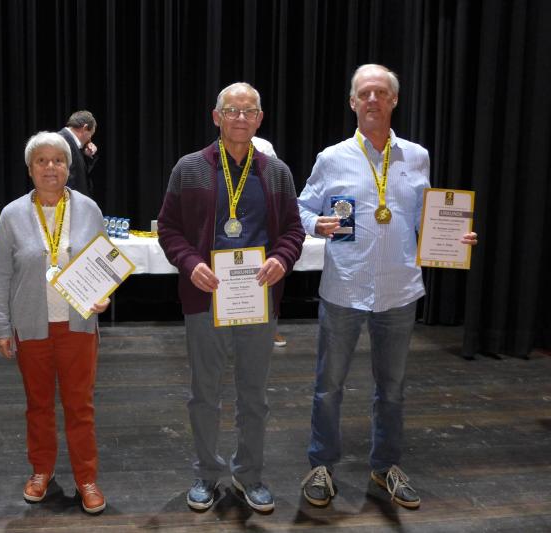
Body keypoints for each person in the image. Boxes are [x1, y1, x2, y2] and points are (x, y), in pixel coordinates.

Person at [298, 64, 478, 509]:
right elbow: (300, 208)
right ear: (353, 102)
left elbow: (423, 217)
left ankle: (385, 467)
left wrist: (453, 238)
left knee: (392, 388)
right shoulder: (331, 157)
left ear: (394, 100)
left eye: (381, 92)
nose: (373, 99)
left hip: (399, 290)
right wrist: (315, 224)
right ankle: (321, 465)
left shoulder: (417, 156)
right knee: (329, 386)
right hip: (344, 287)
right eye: (365, 93)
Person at [157, 82, 305, 512]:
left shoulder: (277, 172)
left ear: (260, 119)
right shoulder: (189, 168)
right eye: (232, 110)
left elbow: (293, 231)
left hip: (258, 299)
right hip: (205, 299)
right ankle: (206, 473)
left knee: (254, 396)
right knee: (204, 394)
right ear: (216, 116)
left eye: (249, 111)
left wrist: (281, 258)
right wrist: (190, 263)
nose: (240, 118)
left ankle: (249, 475)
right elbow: (168, 228)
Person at [0, 131, 110, 514]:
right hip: (31, 327)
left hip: (78, 326)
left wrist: (105, 294)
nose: (50, 167)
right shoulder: (12, 215)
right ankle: (41, 470)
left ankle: (86, 478)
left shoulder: (89, 209)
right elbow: (1, 275)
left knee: (80, 406)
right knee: (38, 405)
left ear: (68, 167)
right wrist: (2, 328)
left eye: (58, 160)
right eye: (41, 161)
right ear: (30, 169)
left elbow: (104, 261)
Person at [251, 137, 288, 349]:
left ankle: (271, 328)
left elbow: (274, 174)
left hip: (264, 228)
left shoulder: (264, 146)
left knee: (269, 279)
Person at [58, 110, 98, 198]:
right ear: (85, 128)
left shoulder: (73, 143)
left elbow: (79, 175)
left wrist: (87, 156)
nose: (90, 139)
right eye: (90, 134)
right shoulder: (60, 141)